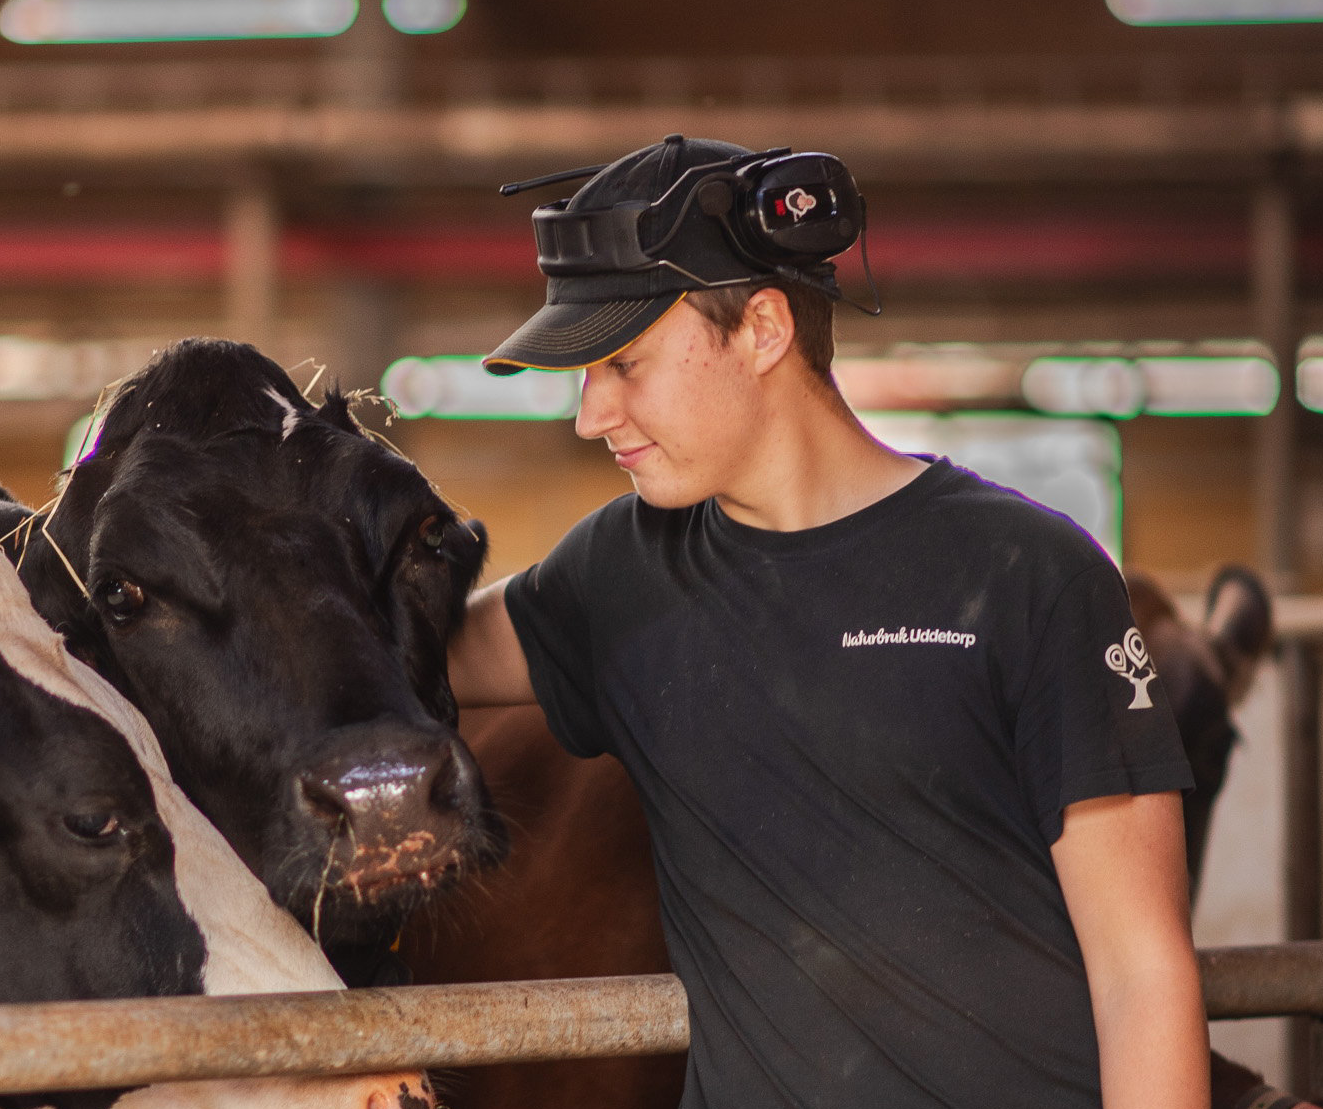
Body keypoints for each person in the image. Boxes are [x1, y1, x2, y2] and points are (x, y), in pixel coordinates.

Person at [446, 134, 1209, 1109]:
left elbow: (1141, 970)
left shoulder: (1030, 575)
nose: (591, 415)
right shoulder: (618, 574)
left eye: (624, 362)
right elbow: (403, 650)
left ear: (761, 328)